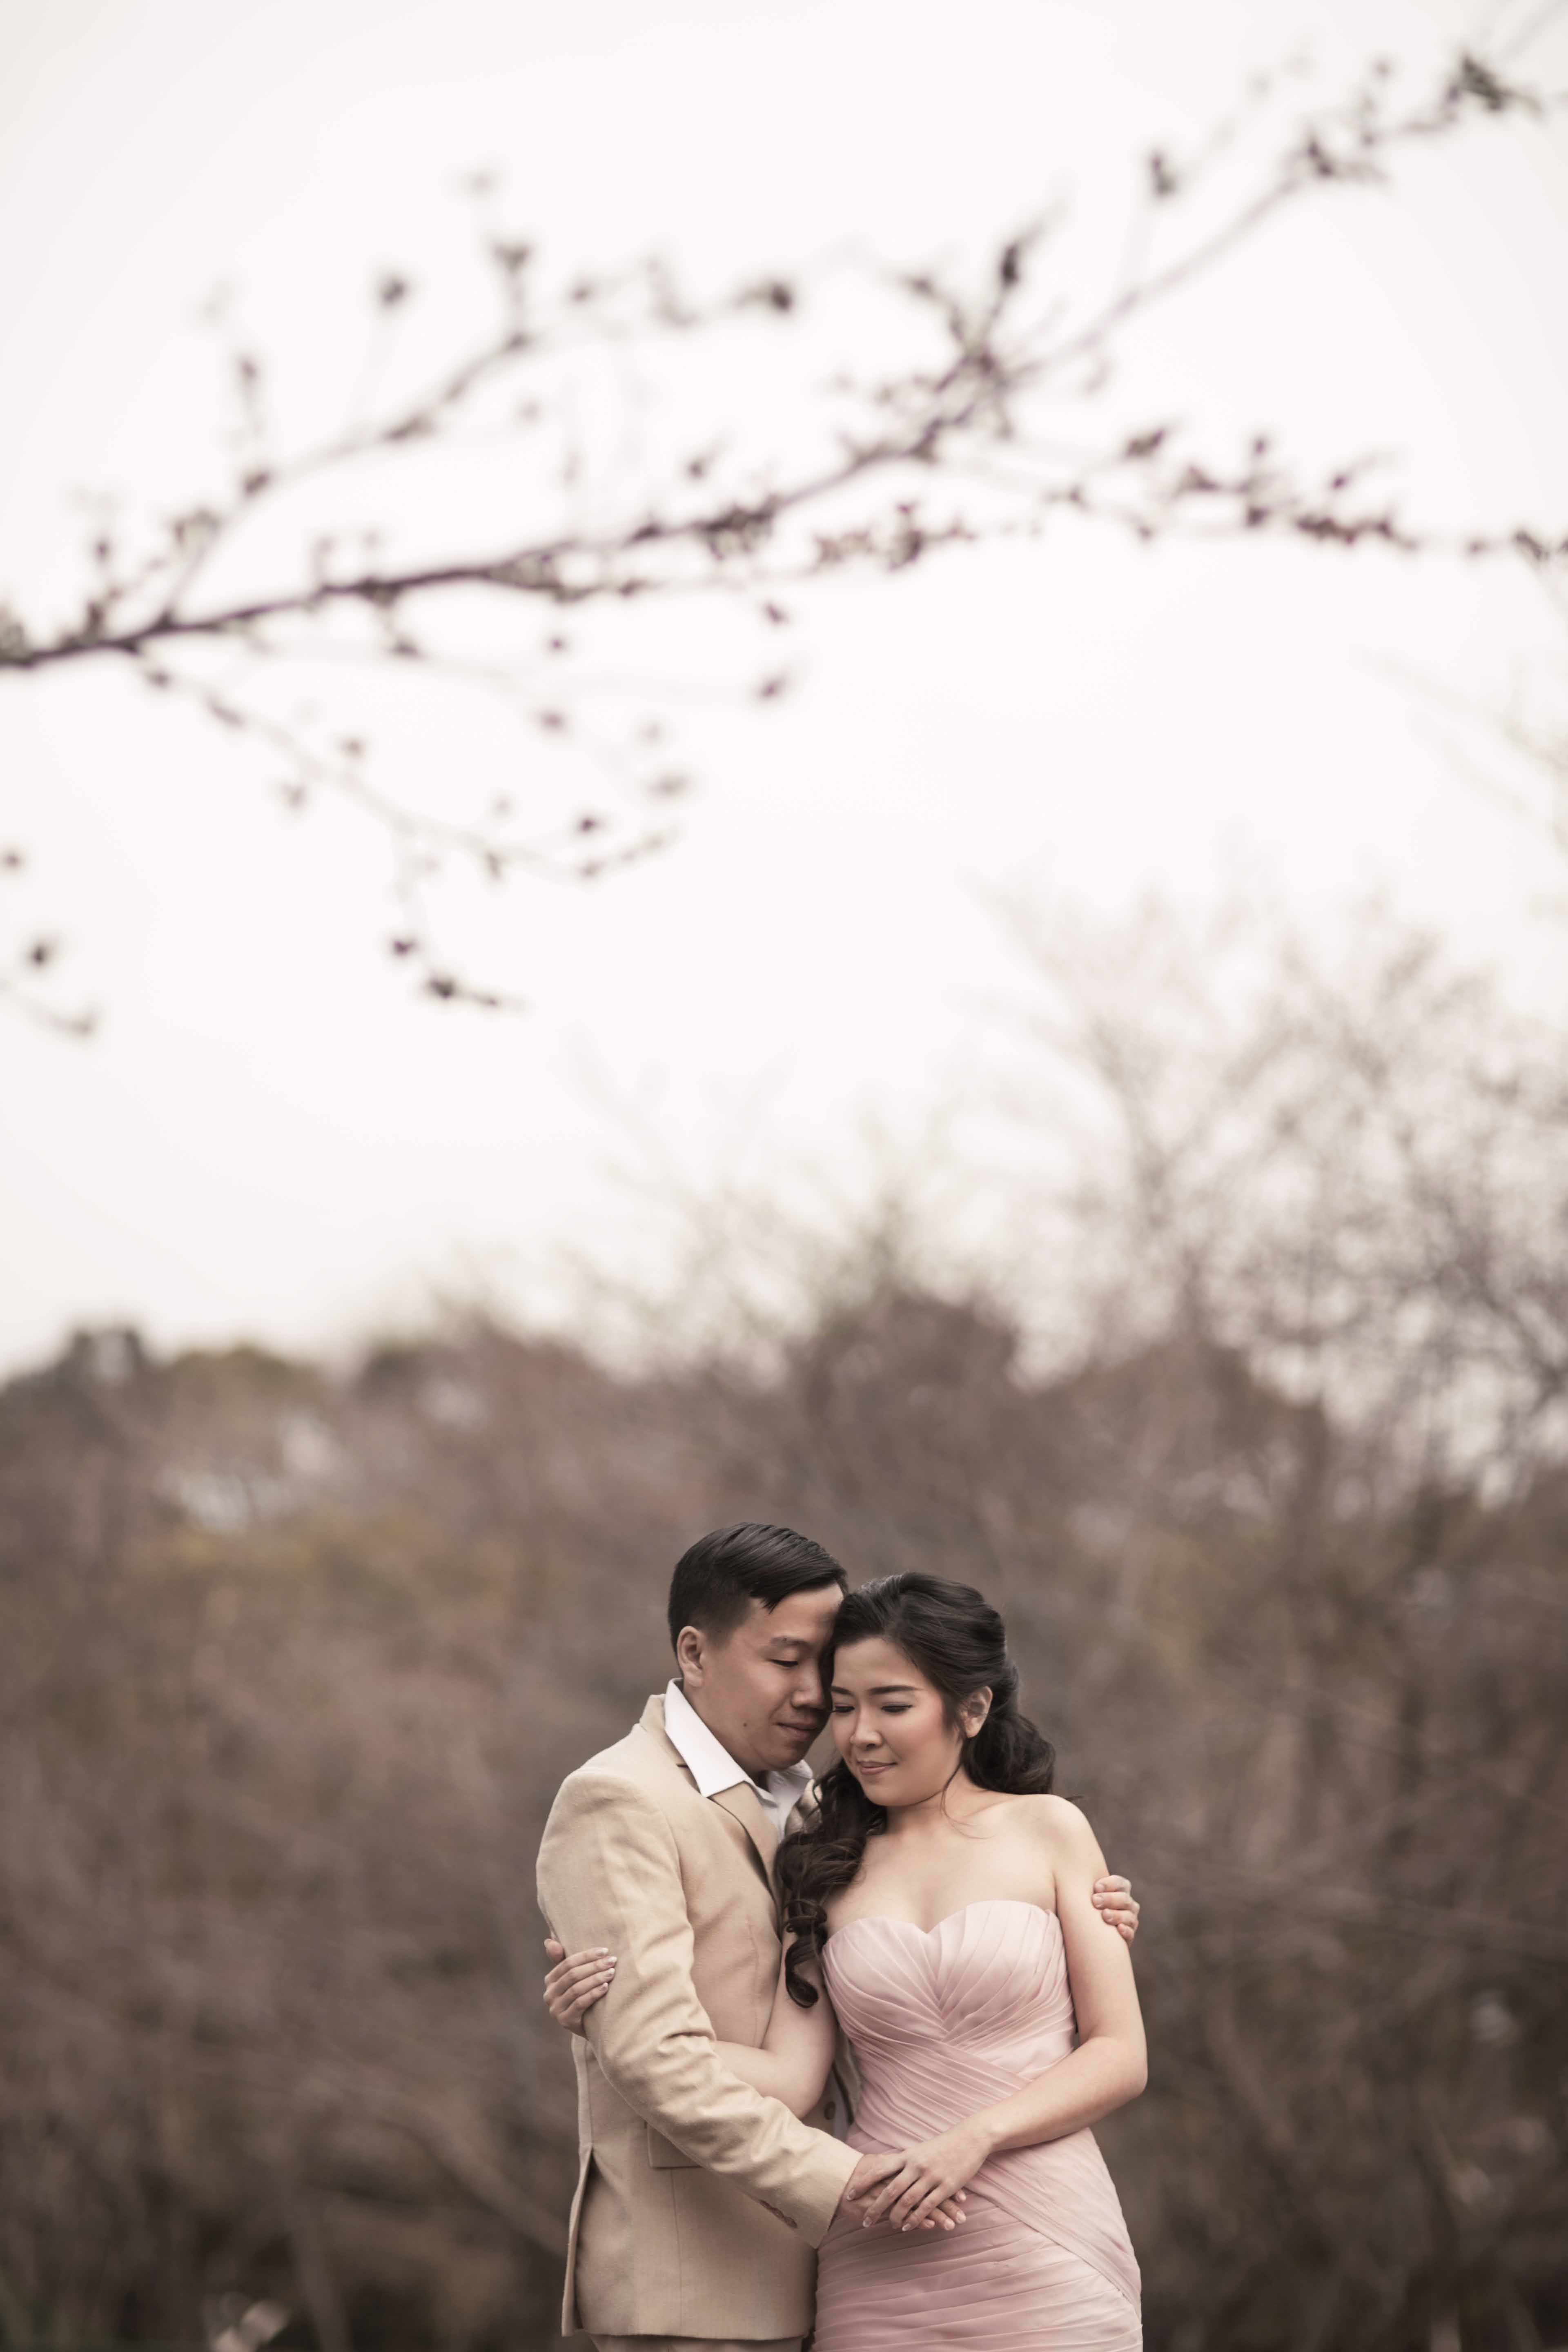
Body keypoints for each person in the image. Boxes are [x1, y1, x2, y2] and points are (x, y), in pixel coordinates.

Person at [539, 1530, 1143, 2352]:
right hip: (872, 2237)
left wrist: (979, 2135)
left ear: (970, 1709)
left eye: (886, 1703)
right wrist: (612, 2023)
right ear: (694, 1652)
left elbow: (1121, 2053)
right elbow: (786, 2072)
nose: (846, 1725)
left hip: (1040, 2236)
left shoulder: (1048, 1830)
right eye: (843, 1698)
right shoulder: (821, 1854)